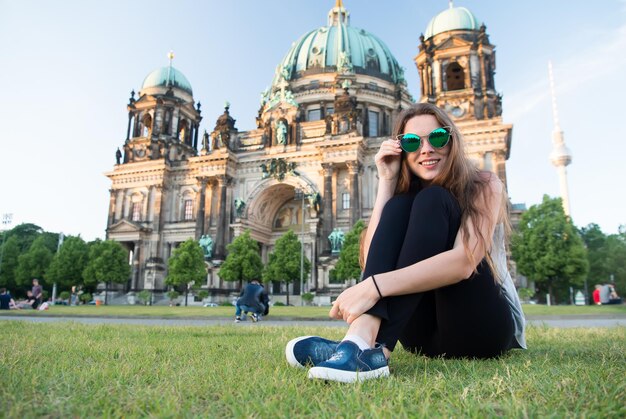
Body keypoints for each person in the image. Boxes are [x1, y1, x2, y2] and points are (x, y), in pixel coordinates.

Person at [285, 103, 526, 383]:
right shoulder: (402, 198)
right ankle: (361, 342)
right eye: (413, 142)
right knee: (400, 204)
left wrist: (373, 287)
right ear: (402, 149)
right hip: (420, 337)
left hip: (480, 329)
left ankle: (364, 348)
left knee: (433, 199)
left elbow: (464, 262)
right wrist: (386, 182)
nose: (426, 149)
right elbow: (369, 257)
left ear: (451, 140)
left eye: (437, 137)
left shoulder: (483, 183)